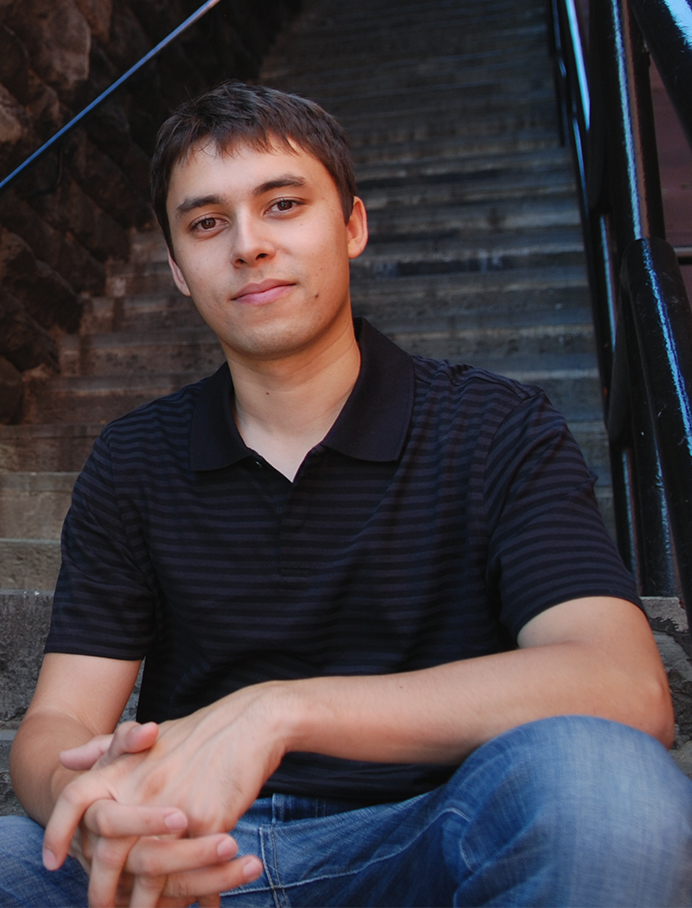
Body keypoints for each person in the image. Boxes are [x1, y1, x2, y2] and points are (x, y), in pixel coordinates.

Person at [2, 81, 692, 908]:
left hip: (433, 839)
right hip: (189, 855)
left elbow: (625, 686)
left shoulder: (495, 426)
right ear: (179, 269)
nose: (249, 245)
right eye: (207, 223)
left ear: (353, 225)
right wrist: (86, 811)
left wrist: (279, 711)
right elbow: (58, 724)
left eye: (283, 204)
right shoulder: (133, 458)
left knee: (609, 789)